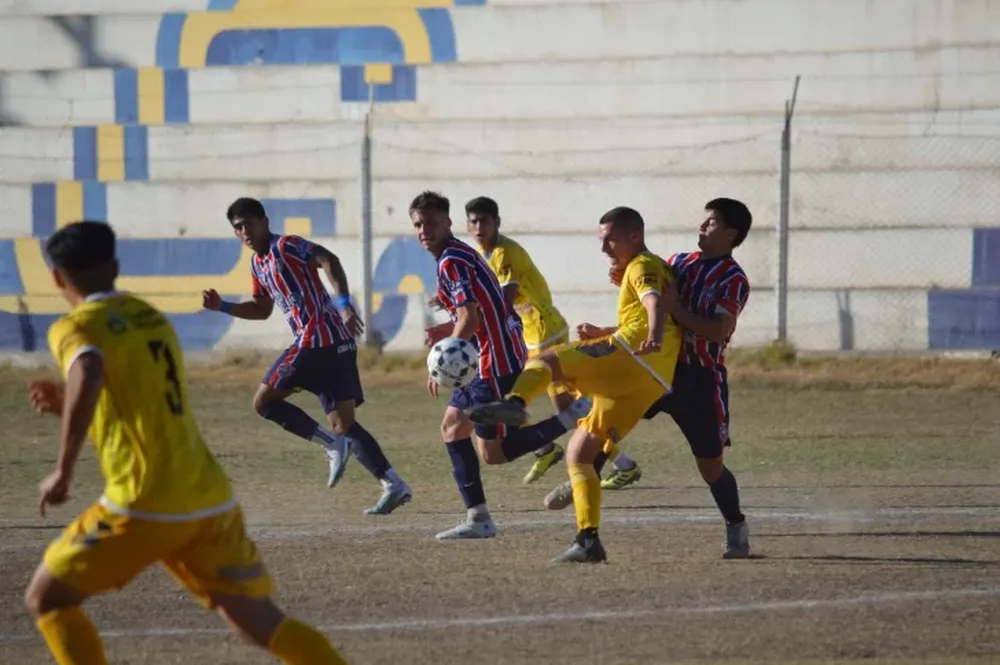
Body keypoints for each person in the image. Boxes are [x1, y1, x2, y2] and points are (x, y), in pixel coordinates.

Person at [24, 220, 349, 665]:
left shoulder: (75, 327)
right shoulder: (150, 319)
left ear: (57, 278)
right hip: (209, 499)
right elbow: (136, 401)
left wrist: (63, 470)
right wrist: (69, 405)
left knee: (48, 598)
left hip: (144, 501)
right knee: (261, 622)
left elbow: (90, 371)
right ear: (116, 266)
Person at [470, 206, 682, 563]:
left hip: (631, 357)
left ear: (634, 236)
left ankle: (516, 403)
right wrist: (605, 332)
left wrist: (654, 334)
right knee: (580, 455)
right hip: (652, 380)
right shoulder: (648, 265)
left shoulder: (642, 265)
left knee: (546, 361)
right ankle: (588, 540)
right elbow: (647, 314)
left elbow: (653, 303)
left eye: (609, 240)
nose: (604, 249)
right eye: (601, 241)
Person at [203, 197, 411, 515]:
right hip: (339, 345)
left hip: (316, 341)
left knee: (263, 402)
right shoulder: (258, 265)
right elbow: (261, 309)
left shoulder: (286, 245)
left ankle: (330, 445)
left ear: (265, 221)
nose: (244, 231)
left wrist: (343, 304)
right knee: (344, 424)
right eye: (238, 227)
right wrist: (224, 307)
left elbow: (329, 260)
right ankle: (392, 483)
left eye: (249, 223)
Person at [412, 191, 592, 540]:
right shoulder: (461, 253)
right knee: (452, 428)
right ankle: (478, 518)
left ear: (447, 223)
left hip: (493, 361)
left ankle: (570, 416)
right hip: (495, 354)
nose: (424, 230)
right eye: (418, 225)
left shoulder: (451, 261)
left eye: (431, 223)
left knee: (493, 454)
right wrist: (447, 332)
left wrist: (444, 357)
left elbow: (470, 316)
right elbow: (480, 311)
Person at [464, 196, 643, 489]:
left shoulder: (504, 252)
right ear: (467, 226)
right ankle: (550, 451)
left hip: (545, 331)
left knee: (552, 406)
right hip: (526, 335)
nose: (480, 227)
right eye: (474, 221)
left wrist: (472, 321)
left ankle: (621, 464)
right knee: (530, 401)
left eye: (485, 220)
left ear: (497, 222)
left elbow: (505, 299)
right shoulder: (482, 255)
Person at [639, 198, 754, 558]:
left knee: (710, 465)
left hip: (701, 379)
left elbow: (717, 331)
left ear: (731, 233)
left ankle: (735, 523)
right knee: (606, 419)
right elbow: (646, 292)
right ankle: (584, 510)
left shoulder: (734, 279)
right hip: (660, 369)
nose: (702, 227)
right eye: (704, 221)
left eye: (712, 223)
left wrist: (677, 310)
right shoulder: (677, 263)